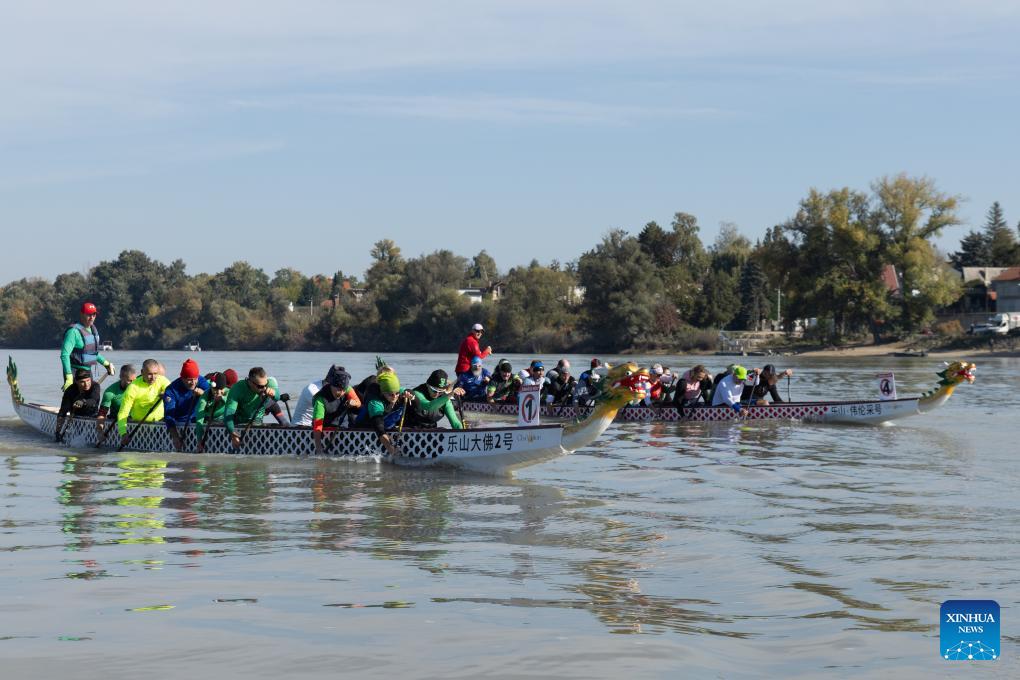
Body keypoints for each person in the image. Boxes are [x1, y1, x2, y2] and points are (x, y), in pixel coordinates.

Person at [223, 367, 288, 449]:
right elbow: (228, 414)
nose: (264, 388)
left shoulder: (270, 382)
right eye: (260, 386)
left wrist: (274, 393)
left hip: (258, 420)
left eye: (265, 385)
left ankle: (287, 427)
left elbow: (277, 397)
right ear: (250, 382)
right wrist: (232, 434)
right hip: (240, 423)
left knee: (273, 404)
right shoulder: (237, 388)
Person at [354, 364, 412, 456]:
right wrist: (391, 449)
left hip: (387, 425)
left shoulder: (397, 390)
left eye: (396, 393)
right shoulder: (375, 402)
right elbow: (379, 428)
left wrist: (410, 395)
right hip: (366, 428)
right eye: (391, 394)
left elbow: (409, 391)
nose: (395, 396)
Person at [60, 301, 114, 391]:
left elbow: (92, 353)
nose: (92, 317)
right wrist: (69, 376)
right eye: (88, 314)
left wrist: (106, 364)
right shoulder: (73, 332)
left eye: (94, 314)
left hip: (87, 372)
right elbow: (64, 355)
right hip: (74, 372)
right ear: (81, 314)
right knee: (75, 398)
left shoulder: (93, 330)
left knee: (90, 397)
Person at [116, 359, 172, 444]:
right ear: (142, 372)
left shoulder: (162, 380)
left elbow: (172, 394)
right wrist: (123, 433)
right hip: (140, 427)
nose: (153, 377)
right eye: (149, 374)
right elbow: (123, 413)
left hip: (160, 424)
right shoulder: (133, 387)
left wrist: (167, 395)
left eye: (155, 373)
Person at [163, 359, 211, 452]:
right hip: (180, 425)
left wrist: (203, 394)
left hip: (199, 422)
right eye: (189, 380)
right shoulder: (171, 390)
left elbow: (213, 397)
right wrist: (175, 437)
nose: (193, 382)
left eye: (195, 379)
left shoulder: (201, 381)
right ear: (182, 378)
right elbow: (169, 416)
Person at [312, 367, 362, 455]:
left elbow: (358, 403)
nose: (341, 393)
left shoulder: (347, 389)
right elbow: (318, 426)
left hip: (344, 427)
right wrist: (319, 448)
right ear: (331, 385)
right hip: (326, 430)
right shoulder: (320, 399)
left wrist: (353, 402)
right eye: (338, 389)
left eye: (343, 390)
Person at [55, 369, 101, 441]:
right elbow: (63, 412)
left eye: (88, 380)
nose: (86, 384)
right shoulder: (70, 390)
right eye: (82, 382)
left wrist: (83, 402)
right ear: (76, 381)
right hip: (75, 417)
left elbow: (94, 400)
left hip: (92, 416)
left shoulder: (95, 386)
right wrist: (58, 431)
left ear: (90, 379)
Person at [97, 364, 137, 437]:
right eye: (129, 381)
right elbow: (102, 414)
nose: (133, 384)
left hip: (135, 422)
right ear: (121, 377)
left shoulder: (137, 387)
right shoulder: (110, 392)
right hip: (117, 423)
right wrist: (100, 431)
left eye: (134, 380)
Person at [194, 372, 229, 452]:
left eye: (221, 389)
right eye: (215, 389)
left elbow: (232, 403)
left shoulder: (229, 392)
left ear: (224, 387)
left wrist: (222, 398)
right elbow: (199, 419)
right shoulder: (205, 396)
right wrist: (199, 441)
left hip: (225, 423)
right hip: (209, 423)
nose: (218, 392)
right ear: (211, 387)